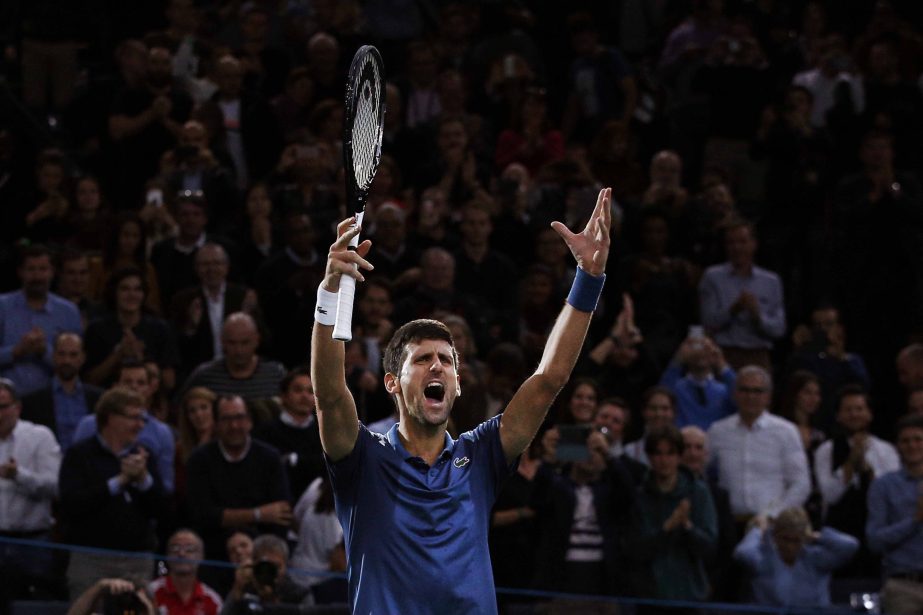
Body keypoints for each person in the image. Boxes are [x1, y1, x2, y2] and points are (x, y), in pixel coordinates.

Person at [310, 188, 611, 612]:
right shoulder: (362, 459)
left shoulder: (482, 454)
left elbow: (548, 379)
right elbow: (328, 394)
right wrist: (331, 295)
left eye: (446, 360)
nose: (437, 367)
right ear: (392, 382)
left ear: (459, 383)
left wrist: (588, 280)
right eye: (423, 359)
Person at [59, 387, 169, 598]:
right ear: (111, 418)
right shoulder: (80, 455)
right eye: (134, 418)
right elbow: (72, 505)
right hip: (91, 561)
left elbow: (162, 511)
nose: (140, 425)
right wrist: (119, 482)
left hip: (136, 561)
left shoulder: (144, 456)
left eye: (142, 418)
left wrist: (144, 480)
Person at [185, 395, 291, 563]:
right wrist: (258, 514)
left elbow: (281, 513)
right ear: (216, 423)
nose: (234, 426)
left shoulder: (269, 457)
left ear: (249, 421)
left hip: (261, 552)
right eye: (226, 419)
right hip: (213, 553)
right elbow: (202, 516)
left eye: (239, 418)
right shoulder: (199, 460)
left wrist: (227, 517)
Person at [626, 425, 717, 605]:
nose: (664, 460)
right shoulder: (639, 495)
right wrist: (667, 528)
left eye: (670, 453)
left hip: (690, 594)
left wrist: (686, 526)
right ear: (649, 457)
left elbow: (709, 546)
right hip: (650, 596)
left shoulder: (698, 492)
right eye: (658, 453)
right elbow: (635, 549)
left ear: (679, 456)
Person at [707, 366, 811, 523]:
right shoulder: (718, 431)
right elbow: (699, 468)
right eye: (745, 390)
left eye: (757, 391)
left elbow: (801, 484)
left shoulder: (786, 431)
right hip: (728, 523)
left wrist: (773, 516)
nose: (751, 396)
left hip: (772, 525)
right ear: (735, 394)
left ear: (768, 397)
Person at [815, 385, 899, 577]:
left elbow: (891, 496)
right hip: (838, 535)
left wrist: (867, 470)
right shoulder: (825, 451)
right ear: (838, 415)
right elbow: (830, 495)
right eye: (848, 409)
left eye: (859, 409)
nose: (854, 414)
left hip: (874, 534)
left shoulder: (886, 451)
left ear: (869, 414)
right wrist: (850, 463)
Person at [72, 360, 176, 494]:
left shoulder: (162, 433)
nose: (134, 387)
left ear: (150, 388)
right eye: (128, 382)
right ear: (116, 386)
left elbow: (167, 487)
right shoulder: (89, 424)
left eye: (141, 383)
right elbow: (76, 474)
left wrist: (143, 477)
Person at [0, 377, 62, 603]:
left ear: (18, 407)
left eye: (3, 407)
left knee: (33, 605)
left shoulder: (39, 437)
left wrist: (19, 476)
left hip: (32, 543)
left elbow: (56, 486)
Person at [698, 219, 786, 370]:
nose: (737, 248)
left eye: (742, 242)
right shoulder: (712, 277)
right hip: (723, 354)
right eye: (731, 243)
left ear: (754, 244)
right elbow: (708, 321)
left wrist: (757, 316)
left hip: (758, 355)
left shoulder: (771, 281)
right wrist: (733, 310)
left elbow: (779, 328)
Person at [734, 506, 859, 608]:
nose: (790, 546)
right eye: (785, 539)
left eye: (796, 540)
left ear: (804, 538)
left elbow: (850, 545)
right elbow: (742, 553)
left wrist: (817, 536)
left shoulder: (817, 559)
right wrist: (758, 531)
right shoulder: (763, 560)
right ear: (775, 536)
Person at [0, 244, 82, 395]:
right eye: (31, 269)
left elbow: (76, 363)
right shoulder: (2, 306)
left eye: (43, 269)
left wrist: (44, 352)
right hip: (5, 401)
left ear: (52, 272)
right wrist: (17, 351)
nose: (37, 276)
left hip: (52, 401)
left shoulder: (68, 312)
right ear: (20, 272)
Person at [179, 313, 285, 423]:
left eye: (245, 343)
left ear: (257, 340)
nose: (239, 350)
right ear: (222, 342)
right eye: (232, 343)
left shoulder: (276, 374)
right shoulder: (204, 375)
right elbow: (179, 408)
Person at [866, 414, 923, 615]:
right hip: (902, 586)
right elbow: (874, 540)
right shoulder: (883, 486)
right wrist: (914, 520)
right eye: (905, 441)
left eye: (918, 439)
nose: (912, 446)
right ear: (897, 446)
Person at [20, 332, 103, 451]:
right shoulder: (31, 402)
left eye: (73, 355)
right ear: (53, 356)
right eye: (61, 354)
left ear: (83, 358)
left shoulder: (99, 399)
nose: (67, 361)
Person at [253, 367, 325, 502]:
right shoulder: (265, 433)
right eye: (298, 390)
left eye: (310, 391)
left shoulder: (325, 433)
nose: (304, 396)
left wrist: (294, 460)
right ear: (283, 396)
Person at [659, 332, 736, 430]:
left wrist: (722, 365)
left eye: (706, 349)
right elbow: (660, 395)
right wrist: (677, 361)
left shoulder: (724, 391)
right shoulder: (676, 388)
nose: (700, 353)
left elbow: (742, 396)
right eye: (696, 348)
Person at [149, 529, 223, 615]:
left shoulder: (212, 600)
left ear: (201, 556)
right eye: (175, 548)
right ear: (167, 555)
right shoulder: (151, 592)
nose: (181, 553)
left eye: (189, 549)